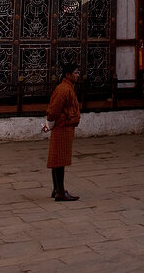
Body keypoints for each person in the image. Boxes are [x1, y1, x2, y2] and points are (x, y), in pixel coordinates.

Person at [43, 62, 81, 201]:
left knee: (58, 159)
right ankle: (60, 191)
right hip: (62, 128)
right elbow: (53, 111)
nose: (78, 75)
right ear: (67, 75)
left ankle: (56, 189)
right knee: (59, 160)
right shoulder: (64, 89)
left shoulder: (67, 88)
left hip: (64, 127)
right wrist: (56, 121)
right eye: (75, 73)